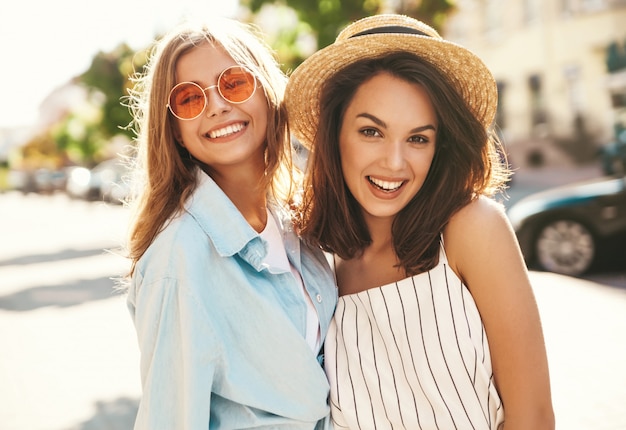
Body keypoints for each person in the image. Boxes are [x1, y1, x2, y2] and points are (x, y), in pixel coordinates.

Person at [285, 14, 554, 430]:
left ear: (438, 147)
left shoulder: (471, 230)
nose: (395, 163)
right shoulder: (318, 265)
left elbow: (532, 418)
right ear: (334, 134)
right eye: (371, 132)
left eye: (417, 138)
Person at [123, 17, 336, 429]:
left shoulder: (295, 225)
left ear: (267, 94)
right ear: (176, 131)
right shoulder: (178, 259)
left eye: (233, 83)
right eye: (189, 99)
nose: (218, 106)